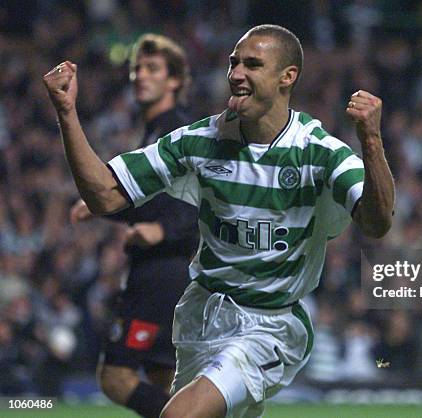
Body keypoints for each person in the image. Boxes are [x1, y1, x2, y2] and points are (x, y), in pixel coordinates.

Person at [43, 24, 394, 418]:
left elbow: (376, 223)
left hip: (269, 325)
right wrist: (67, 113)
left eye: (253, 64)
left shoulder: (322, 154)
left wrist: (372, 142)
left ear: (287, 77)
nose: (237, 74)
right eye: (234, 63)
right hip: (201, 315)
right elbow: (105, 194)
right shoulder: (200, 140)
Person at [69, 34, 199, 418]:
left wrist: (165, 230)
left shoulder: (176, 131)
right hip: (165, 268)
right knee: (163, 378)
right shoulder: (154, 131)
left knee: (115, 377)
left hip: (162, 270)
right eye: (137, 69)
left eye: (152, 69)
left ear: (174, 80)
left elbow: (200, 194)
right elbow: (149, 200)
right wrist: (103, 207)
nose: (140, 76)